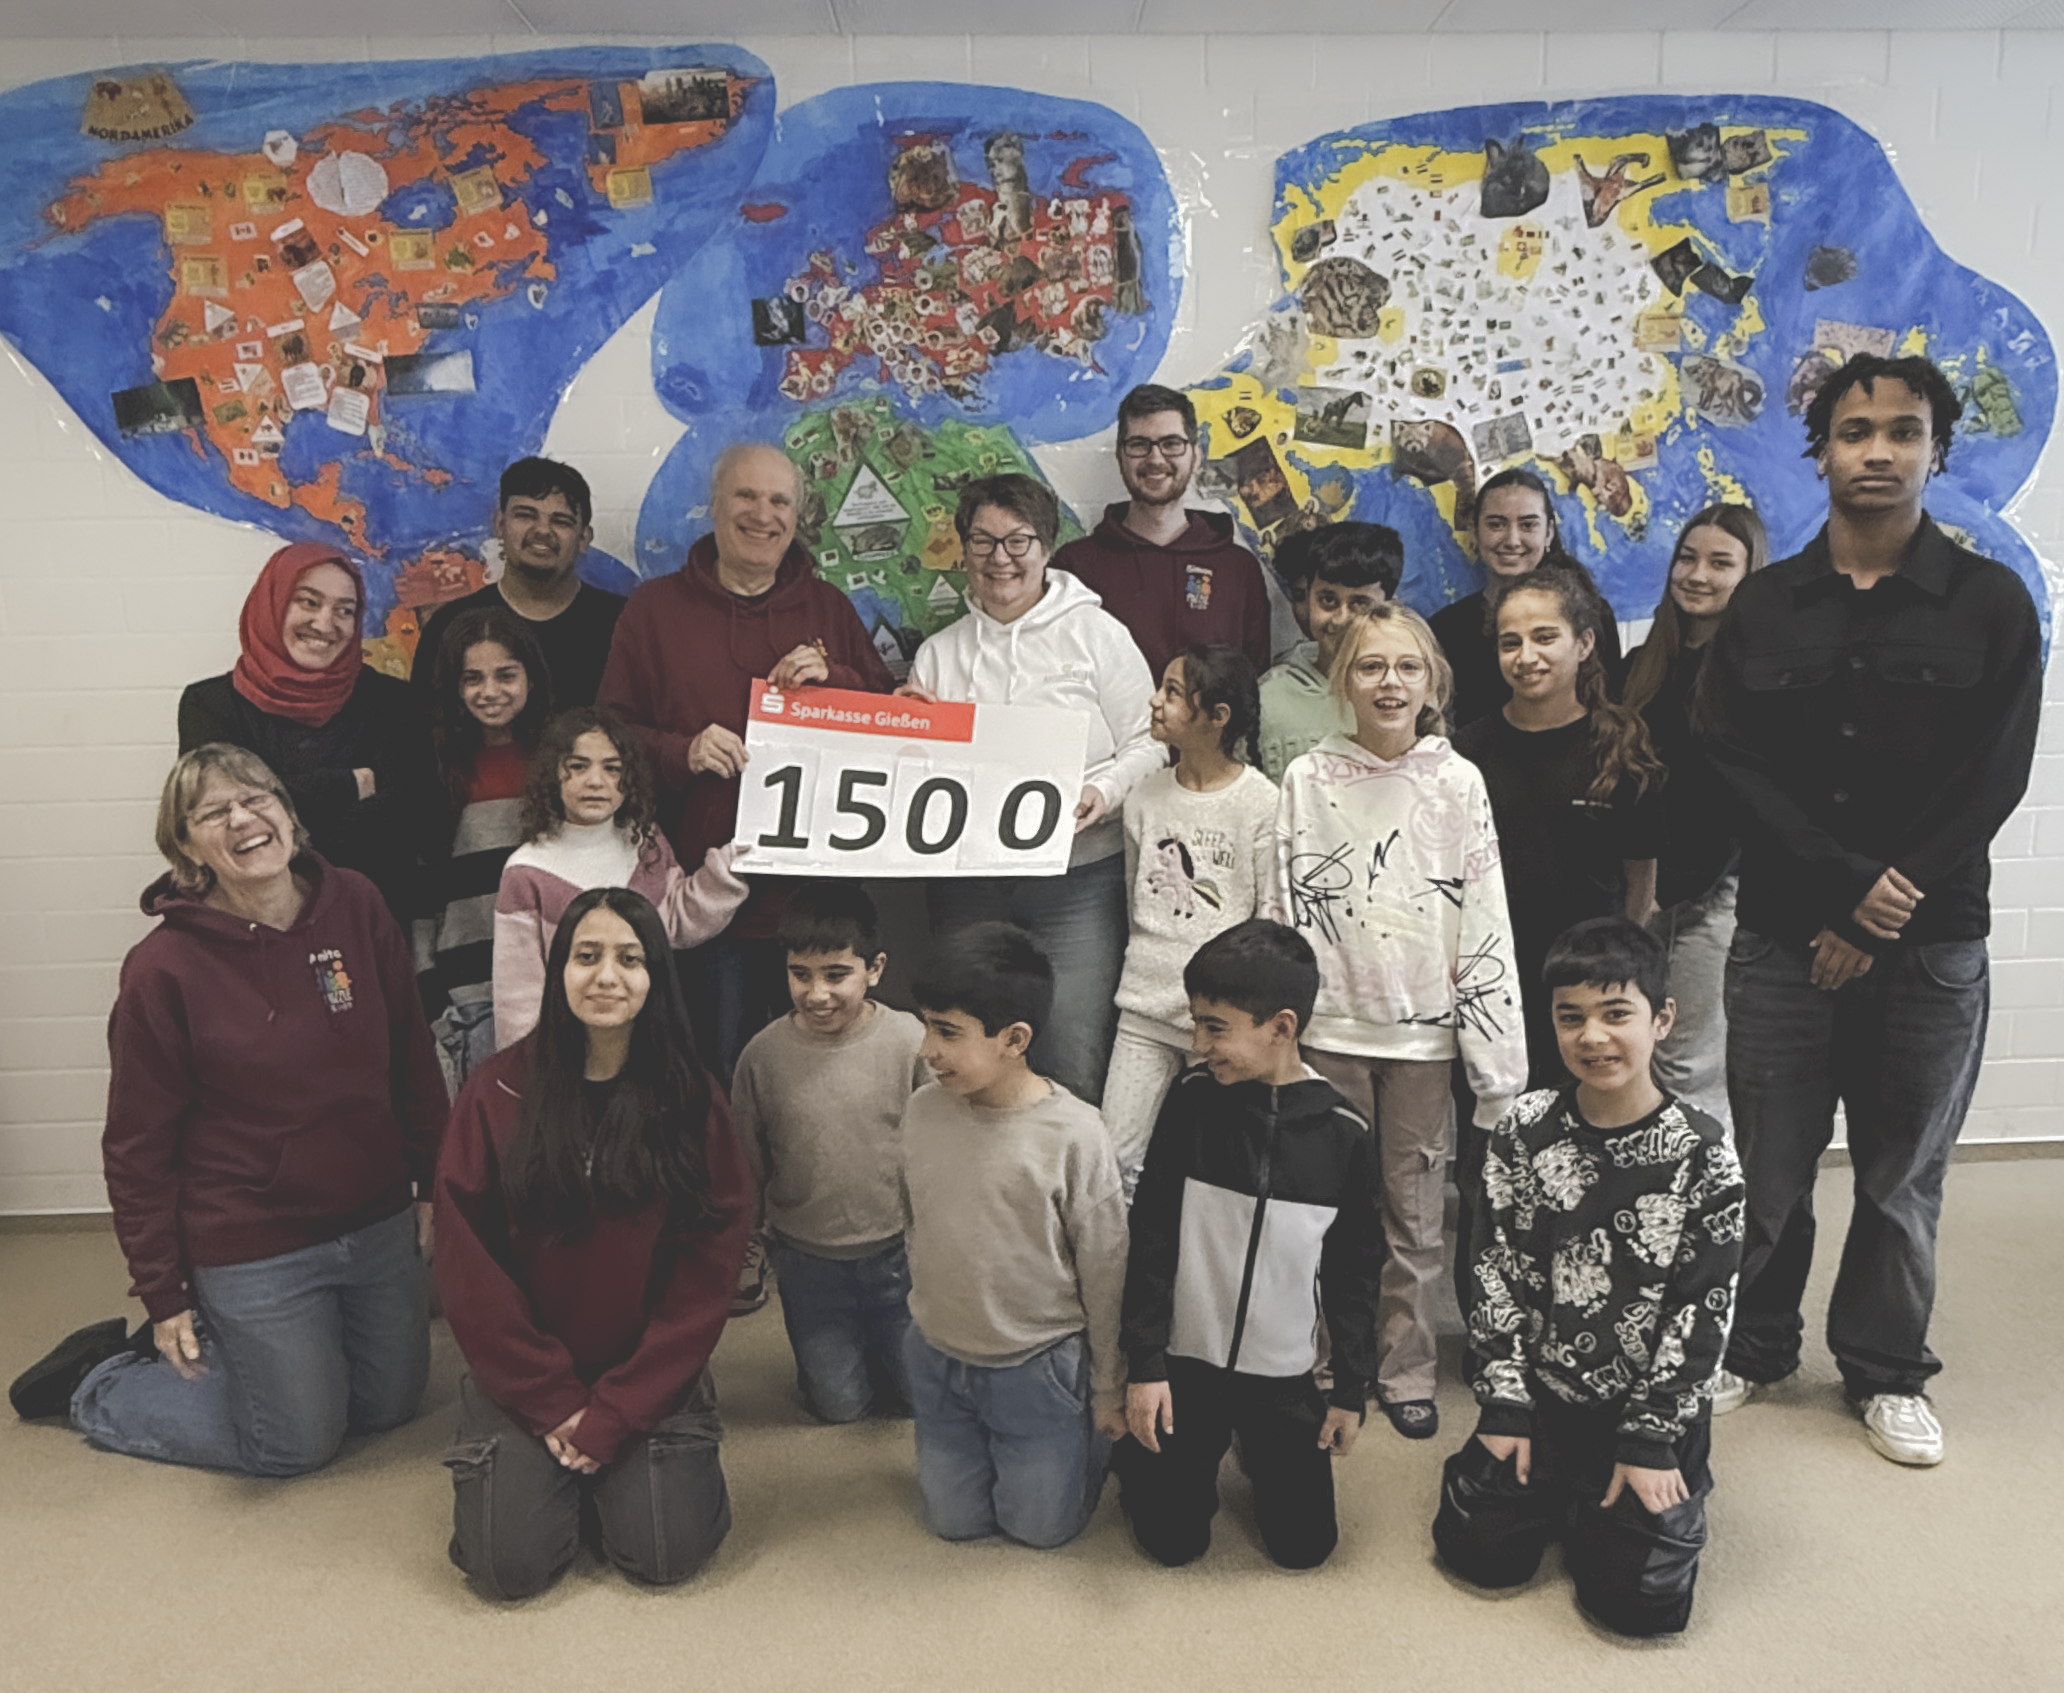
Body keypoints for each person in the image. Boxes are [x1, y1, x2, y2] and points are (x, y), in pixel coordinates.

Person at [1699, 355, 2041, 1466]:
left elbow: (1994, 777)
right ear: (1823, 454)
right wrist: (1843, 888)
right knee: (1770, 1168)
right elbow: (1731, 759)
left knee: (1902, 1175)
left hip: (1930, 941)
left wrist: (1879, 905)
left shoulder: (1990, 602)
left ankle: (1887, 1368)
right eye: (1856, 432)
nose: (1879, 451)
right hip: (1786, 935)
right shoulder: (1764, 605)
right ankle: (1755, 1346)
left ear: (1937, 449)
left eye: (1904, 430)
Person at [9, 746, 445, 1477]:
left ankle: (272, 1364)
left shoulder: (355, 902)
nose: (243, 819)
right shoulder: (163, 969)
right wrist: (164, 1292)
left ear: (288, 813)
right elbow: (136, 1148)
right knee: (295, 1441)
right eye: (213, 813)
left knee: (389, 1406)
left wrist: (433, 1178)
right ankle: (101, 1381)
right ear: (185, 847)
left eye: (257, 798)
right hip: (253, 1238)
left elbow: (411, 1050)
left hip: (372, 1214)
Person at [434, 887, 753, 1600]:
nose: (607, 976)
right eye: (587, 956)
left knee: (664, 1553)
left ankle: (608, 1460)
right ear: (559, 971)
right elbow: (468, 1267)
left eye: (629, 959)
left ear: (655, 977)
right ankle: (553, 1459)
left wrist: (618, 1410)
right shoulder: (495, 1091)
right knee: (508, 1570)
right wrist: (551, 1401)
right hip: (526, 1372)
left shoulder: (692, 1100)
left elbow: (706, 1275)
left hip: (646, 1368)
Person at [1433, 916, 1743, 1639]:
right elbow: (1493, 1269)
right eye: (1571, 1017)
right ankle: (1563, 1489)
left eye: (1616, 1014)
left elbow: (1703, 1310)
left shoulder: (1704, 1153)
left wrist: (1652, 1438)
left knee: (1637, 1604)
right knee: (1480, 1553)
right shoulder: (1523, 1127)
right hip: (1545, 1393)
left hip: (1644, 1404)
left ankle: (1621, 1493)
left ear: (1662, 1019)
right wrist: (1505, 1405)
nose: (1593, 1036)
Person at [1271, 605, 1526, 1437]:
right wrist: (1278, 1027)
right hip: (1328, 1034)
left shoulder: (1459, 782)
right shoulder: (1307, 779)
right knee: (1321, 1210)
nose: (1390, 683)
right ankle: (1324, 1361)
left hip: (1422, 1039)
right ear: (1343, 681)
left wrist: (1497, 1065)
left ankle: (1404, 1366)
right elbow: (1280, 905)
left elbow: (1484, 915)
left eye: (1407, 667)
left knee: (1412, 1215)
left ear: (1432, 684)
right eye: (1371, 666)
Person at [599, 441, 895, 1076]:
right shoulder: (653, 612)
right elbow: (609, 738)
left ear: (796, 516)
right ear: (713, 505)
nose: (764, 514)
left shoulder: (828, 608)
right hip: (704, 907)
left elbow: (891, 725)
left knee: (825, 1079)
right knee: (720, 1075)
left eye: (780, 501)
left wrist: (837, 679)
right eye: (747, 496)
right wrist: (681, 751)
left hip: (819, 903)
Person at [1112, 919, 1380, 1571]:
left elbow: (1354, 1272)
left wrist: (1351, 1389)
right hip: (1186, 1364)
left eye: (1215, 1027)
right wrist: (1144, 1365)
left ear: (1281, 1027)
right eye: (1196, 1024)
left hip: (1281, 1376)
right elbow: (1151, 1236)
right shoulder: (1191, 1102)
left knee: (1306, 1550)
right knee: (1170, 1544)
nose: (1198, 1044)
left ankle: (1258, 1453)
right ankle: (1150, 1457)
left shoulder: (1343, 1133)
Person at [905, 473, 1162, 1107]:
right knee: (967, 1049)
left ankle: (1070, 1168)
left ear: (1046, 547)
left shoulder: (1098, 635)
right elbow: (919, 780)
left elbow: (1152, 742)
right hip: (969, 883)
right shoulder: (938, 655)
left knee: (1072, 1047)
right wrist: (906, 736)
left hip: (1079, 878)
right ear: (963, 549)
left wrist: (1103, 790)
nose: (1001, 558)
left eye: (1018, 540)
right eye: (983, 541)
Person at [900, 922, 1129, 1550]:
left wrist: (1109, 1386)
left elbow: (1107, 1270)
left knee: (1038, 1531)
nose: (927, 1049)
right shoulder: (923, 1109)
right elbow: (915, 1217)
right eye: (925, 1026)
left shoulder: (1076, 1134)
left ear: (1015, 1039)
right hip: (939, 1353)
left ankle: (1085, 1444)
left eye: (948, 1032)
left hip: (1036, 1364)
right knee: (954, 1523)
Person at [1453, 565, 1662, 1090]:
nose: (1526, 657)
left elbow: (1640, 875)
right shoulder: (1466, 754)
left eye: (1545, 637)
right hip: (1494, 982)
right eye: (1511, 642)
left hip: (1589, 983)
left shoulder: (1621, 747)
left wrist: (1619, 965)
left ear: (1584, 643)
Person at [731, 884, 929, 1423]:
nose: (817, 993)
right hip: (807, 1262)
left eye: (836, 975)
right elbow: (747, 1157)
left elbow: (942, 1145)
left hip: (897, 1254)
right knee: (839, 1408)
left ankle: (882, 1352)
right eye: (801, 975)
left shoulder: (909, 1041)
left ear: (875, 969)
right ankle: (839, 1360)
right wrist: (751, 1234)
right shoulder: (762, 1056)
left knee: (918, 1402)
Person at [178, 542, 436, 923]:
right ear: (273, 602)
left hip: (371, 922)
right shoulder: (210, 705)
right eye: (309, 602)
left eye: (344, 610)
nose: (325, 624)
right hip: (254, 923)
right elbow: (224, 822)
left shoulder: (392, 701)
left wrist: (278, 807)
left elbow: (404, 820)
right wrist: (350, 784)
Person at [1104, 644, 1277, 1193]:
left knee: (1220, 1168)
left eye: (1174, 693)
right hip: (1144, 1009)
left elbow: (1268, 918)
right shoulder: (1144, 797)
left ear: (1218, 716)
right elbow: (1136, 902)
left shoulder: (1261, 802)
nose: (1155, 702)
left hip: (1223, 1020)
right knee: (1114, 1162)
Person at [1622, 504, 1769, 1130]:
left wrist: (1670, 892)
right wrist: (1640, 896)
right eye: (1687, 558)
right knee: (1634, 1061)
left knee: (1688, 1067)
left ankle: (1702, 1191)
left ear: (1749, 575)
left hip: (1710, 898)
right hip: (1638, 892)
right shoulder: (1642, 668)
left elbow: (1743, 806)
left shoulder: (1755, 677)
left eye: (1720, 563)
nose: (1698, 575)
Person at [492, 706, 747, 1049]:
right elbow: (518, 993)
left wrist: (729, 869)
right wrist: (527, 1065)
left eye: (612, 768)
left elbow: (676, 920)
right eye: (578, 766)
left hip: (650, 1042)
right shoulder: (526, 870)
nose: (595, 781)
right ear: (553, 774)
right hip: (567, 1053)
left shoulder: (645, 842)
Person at [1051, 383, 1274, 679]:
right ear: (1120, 455)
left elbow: (1253, 684)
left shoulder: (1239, 569)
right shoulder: (1075, 567)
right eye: (1139, 444)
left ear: (1196, 455)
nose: (1155, 459)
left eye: (1171, 443)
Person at [419, 608, 552, 1094]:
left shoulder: (561, 761)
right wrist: (429, 987)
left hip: (555, 981)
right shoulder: (434, 768)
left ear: (531, 678)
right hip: (471, 992)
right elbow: (422, 891)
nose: (489, 691)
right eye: (472, 678)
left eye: (506, 675)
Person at [411, 456, 626, 711]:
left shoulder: (624, 626)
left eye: (561, 521)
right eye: (526, 515)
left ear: (583, 538)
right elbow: (424, 728)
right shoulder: (450, 626)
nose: (543, 531)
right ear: (500, 525)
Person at [1427, 468, 1624, 731]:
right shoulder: (1445, 629)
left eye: (1528, 525)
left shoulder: (1591, 614)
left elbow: (1610, 710)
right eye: (1496, 525)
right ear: (1474, 530)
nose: (1512, 540)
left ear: (1548, 533)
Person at [1257, 521, 1401, 781]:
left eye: (1360, 603)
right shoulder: (1265, 699)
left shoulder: (1407, 696)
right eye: (1328, 600)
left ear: (1390, 608)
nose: (1341, 618)